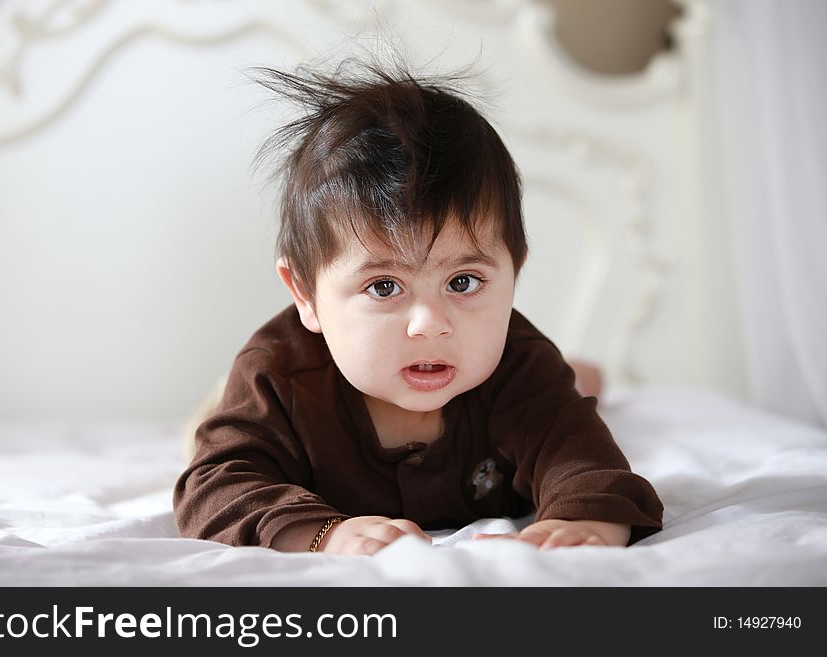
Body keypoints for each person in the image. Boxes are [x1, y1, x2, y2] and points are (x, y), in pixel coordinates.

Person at [173, 62, 662, 555]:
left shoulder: (520, 364)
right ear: (305, 295)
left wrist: (587, 520)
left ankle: (579, 376)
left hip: (527, 376)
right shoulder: (277, 378)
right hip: (279, 389)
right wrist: (325, 534)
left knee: (563, 389)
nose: (430, 324)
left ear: (514, 273)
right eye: (384, 287)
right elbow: (214, 490)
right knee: (205, 431)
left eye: (463, 281)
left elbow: (584, 461)